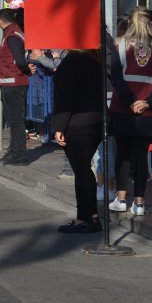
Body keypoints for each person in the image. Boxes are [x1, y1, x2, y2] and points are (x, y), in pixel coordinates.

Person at [108, 8, 152, 217]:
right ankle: (140, 203)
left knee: (122, 155)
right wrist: (148, 103)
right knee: (141, 156)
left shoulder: (120, 44)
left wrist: (131, 101)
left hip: (122, 107)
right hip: (149, 110)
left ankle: (121, 199)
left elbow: (115, 77)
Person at [52, 49, 105, 233]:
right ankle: (89, 216)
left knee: (82, 170)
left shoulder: (73, 60)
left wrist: (59, 126)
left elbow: (66, 96)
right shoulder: (95, 59)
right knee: (83, 169)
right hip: (96, 121)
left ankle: (86, 218)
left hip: (77, 123)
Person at [0, 8, 32, 165]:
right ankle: (13, 151)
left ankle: (20, 155)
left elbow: (20, 60)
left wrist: (26, 70)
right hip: (10, 82)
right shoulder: (12, 34)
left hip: (13, 83)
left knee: (16, 121)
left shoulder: (12, 36)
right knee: (13, 120)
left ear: (1, 21)